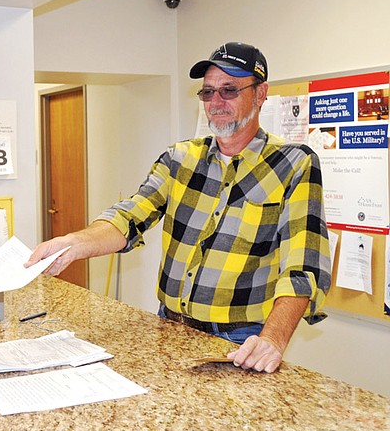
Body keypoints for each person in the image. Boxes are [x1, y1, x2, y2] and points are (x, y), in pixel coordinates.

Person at [26, 42, 331, 374]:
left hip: (238, 339)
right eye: (208, 92)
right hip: (168, 326)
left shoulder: (294, 163)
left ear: (260, 94)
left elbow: (304, 268)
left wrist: (273, 338)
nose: (216, 102)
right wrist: (73, 243)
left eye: (229, 90)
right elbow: (131, 216)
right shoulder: (180, 158)